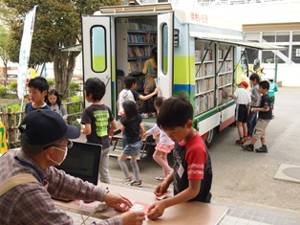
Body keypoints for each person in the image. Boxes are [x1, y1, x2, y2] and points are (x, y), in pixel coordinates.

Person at [0, 109, 145, 225]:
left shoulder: (14, 157)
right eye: (66, 144)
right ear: (50, 152)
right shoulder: (27, 193)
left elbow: (60, 181)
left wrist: (103, 195)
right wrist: (120, 222)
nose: (69, 147)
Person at [146, 96, 212, 220]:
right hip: (183, 202)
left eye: (172, 132)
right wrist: (166, 182)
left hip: (196, 206)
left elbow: (193, 190)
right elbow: (178, 166)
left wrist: (164, 204)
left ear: (188, 124)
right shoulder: (180, 138)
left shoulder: (195, 149)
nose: (170, 137)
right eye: (167, 133)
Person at [81, 78, 118, 184]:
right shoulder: (107, 108)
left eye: (85, 92)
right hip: (106, 145)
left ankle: (91, 194)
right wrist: (102, 126)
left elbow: (88, 131)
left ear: (90, 94)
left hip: (93, 146)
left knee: (90, 173)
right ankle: (110, 193)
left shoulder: (88, 111)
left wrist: (82, 130)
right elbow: (114, 126)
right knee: (104, 172)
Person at [142, 97, 174, 181]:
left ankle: (170, 171)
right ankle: (165, 175)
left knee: (155, 156)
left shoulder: (161, 115)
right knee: (163, 156)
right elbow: (164, 127)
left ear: (156, 106)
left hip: (165, 141)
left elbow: (156, 127)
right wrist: (160, 132)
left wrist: (146, 133)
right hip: (169, 139)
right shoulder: (169, 113)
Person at [118, 101, 145, 187]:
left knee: (120, 159)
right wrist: (141, 137)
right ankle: (137, 180)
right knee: (133, 161)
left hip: (131, 144)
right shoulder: (138, 117)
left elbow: (122, 130)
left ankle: (127, 177)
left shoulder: (125, 120)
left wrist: (122, 119)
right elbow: (143, 129)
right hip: (138, 142)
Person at [242, 81, 272, 153]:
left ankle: (251, 146)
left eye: (260, 88)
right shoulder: (263, 96)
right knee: (262, 133)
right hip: (264, 117)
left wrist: (256, 109)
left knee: (257, 131)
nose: (259, 89)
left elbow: (266, 108)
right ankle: (264, 146)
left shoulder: (266, 98)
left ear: (265, 89)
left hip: (264, 118)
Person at [225, 81, 251, 146]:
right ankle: (245, 138)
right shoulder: (248, 92)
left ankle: (241, 139)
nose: (238, 86)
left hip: (240, 107)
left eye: (239, 84)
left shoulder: (238, 90)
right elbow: (250, 103)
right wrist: (248, 110)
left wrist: (228, 95)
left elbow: (234, 96)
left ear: (242, 85)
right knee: (244, 124)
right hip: (246, 107)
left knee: (239, 124)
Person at [141, 47, 158, 118]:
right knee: (154, 96)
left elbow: (144, 71)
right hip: (156, 80)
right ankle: (154, 112)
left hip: (149, 80)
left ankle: (145, 112)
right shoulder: (158, 61)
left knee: (145, 96)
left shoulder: (148, 61)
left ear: (152, 54)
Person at [246, 73, 261, 140]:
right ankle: (254, 132)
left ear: (255, 80)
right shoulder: (258, 86)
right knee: (254, 120)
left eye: (251, 81)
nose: (251, 82)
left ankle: (250, 133)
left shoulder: (255, 88)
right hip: (257, 106)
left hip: (254, 106)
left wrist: (249, 94)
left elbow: (256, 98)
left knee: (249, 120)